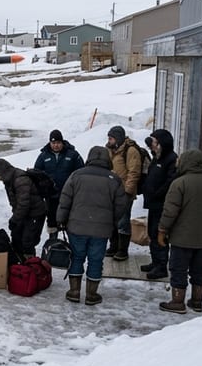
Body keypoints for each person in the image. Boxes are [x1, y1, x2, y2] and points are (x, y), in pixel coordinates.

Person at [55, 145, 128, 306]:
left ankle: (74, 292)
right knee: (96, 260)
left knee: (77, 257)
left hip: (76, 227)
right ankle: (91, 294)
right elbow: (121, 205)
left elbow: (65, 200)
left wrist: (60, 219)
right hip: (101, 230)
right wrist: (111, 220)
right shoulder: (113, 179)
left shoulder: (76, 175)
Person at [156, 149, 202, 314]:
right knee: (199, 269)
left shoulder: (180, 183)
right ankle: (197, 301)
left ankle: (177, 301)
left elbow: (170, 211)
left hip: (182, 237)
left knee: (178, 268)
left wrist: (162, 229)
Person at [0, 158, 48, 260]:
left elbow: (24, 204)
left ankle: (30, 265)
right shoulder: (10, 179)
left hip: (35, 214)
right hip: (25, 214)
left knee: (27, 241)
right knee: (16, 237)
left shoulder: (20, 180)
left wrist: (14, 219)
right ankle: (19, 262)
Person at [140, 129, 178, 280]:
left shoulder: (171, 159)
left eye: (155, 142)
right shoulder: (157, 157)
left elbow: (170, 181)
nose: (152, 145)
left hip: (161, 203)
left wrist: (157, 193)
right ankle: (155, 261)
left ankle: (162, 266)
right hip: (153, 203)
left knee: (159, 234)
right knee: (152, 233)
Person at [34, 129, 84, 239]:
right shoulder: (43, 156)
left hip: (69, 194)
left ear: (62, 142)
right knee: (52, 218)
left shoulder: (72, 155)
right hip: (51, 196)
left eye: (58, 143)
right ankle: (53, 241)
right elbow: (36, 173)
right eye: (53, 143)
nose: (56, 145)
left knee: (69, 218)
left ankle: (72, 244)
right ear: (50, 143)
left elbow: (81, 173)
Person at [105, 125, 145, 260]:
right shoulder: (110, 150)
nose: (109, 140)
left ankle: (122, 250)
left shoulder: (130, 150)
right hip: (112, 192)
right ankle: (113, 246)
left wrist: (127, 191)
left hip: (124, 192)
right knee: (112, 220)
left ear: (118, 138)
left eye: (111, 138)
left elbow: (134, 172)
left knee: (123, 221)